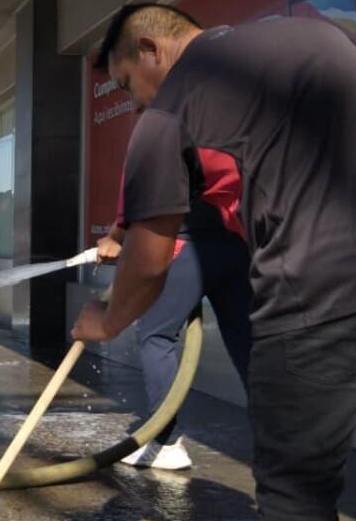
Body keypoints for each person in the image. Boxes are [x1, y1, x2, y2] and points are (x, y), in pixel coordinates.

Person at [72, 3, 356, 521]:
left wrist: (107, 321)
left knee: (294, 478)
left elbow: (150, 254)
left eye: (126, 84)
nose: (133, 102)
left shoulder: (173, 109)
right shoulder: (312, 34)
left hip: (316, 293)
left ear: (148, 48)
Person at [100, 145, 253, 471]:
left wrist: (116, 236)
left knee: (156, 336)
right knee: (248, 343)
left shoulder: (167, 125)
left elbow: (142, 192)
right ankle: (283, 442)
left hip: (184, 244)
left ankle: (166, 442)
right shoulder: (231, 125)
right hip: (233, 246)